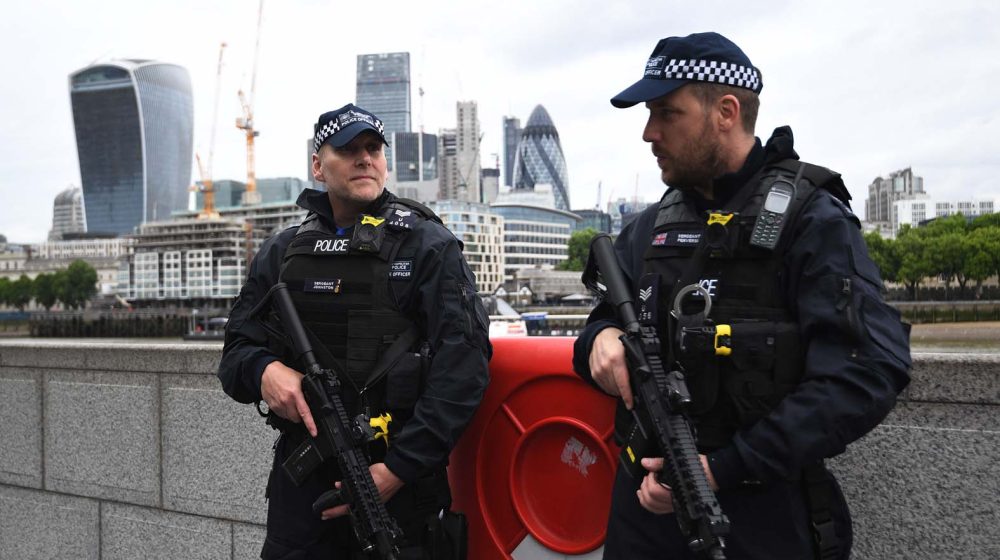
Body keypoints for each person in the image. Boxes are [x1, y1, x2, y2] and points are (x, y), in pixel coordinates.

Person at [572, 32, 911, 560]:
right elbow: (597, 325)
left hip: (757, 518)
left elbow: (866, 372)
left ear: (725, 111)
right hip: (644, 518)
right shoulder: (650, 227)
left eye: (666, 112)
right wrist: (601, 339)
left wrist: (721, 469)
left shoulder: (810, 219)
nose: (648, 133)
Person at [218, 103, 491, 559]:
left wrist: (398, 469)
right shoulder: (282, 252)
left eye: (373, 148)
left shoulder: (428, 246)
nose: (365, 158)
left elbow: (464, 368)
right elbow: (235, 354)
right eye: (348, 149)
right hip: (303, 501)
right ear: (318, 165)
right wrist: (265, 372)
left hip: (400, 493)